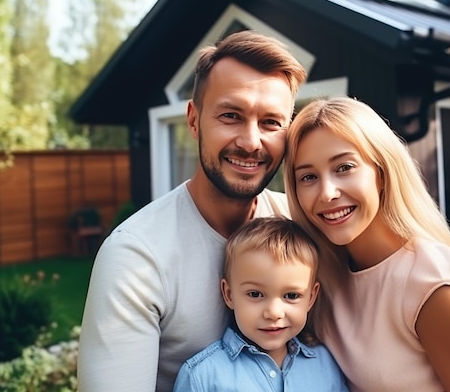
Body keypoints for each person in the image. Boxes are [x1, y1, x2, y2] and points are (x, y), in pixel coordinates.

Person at [77, 30, 308, 392]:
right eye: (231, 115)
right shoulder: (137, 256)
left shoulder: (299, 226)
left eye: (271, 123)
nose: (250, 142)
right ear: (194, 119)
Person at [284, 96, 450, 392]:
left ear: (381, 173)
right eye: (308, 177)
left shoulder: (431, 284)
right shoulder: (321, 273)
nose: (326, 193)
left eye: (344, 168)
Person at [173, 216, 349, 391]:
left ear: (311, 298)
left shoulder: (325, 364)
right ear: (229, 295)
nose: (273, 312)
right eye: (255, 294)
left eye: (291, 295)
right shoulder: (202, 376)